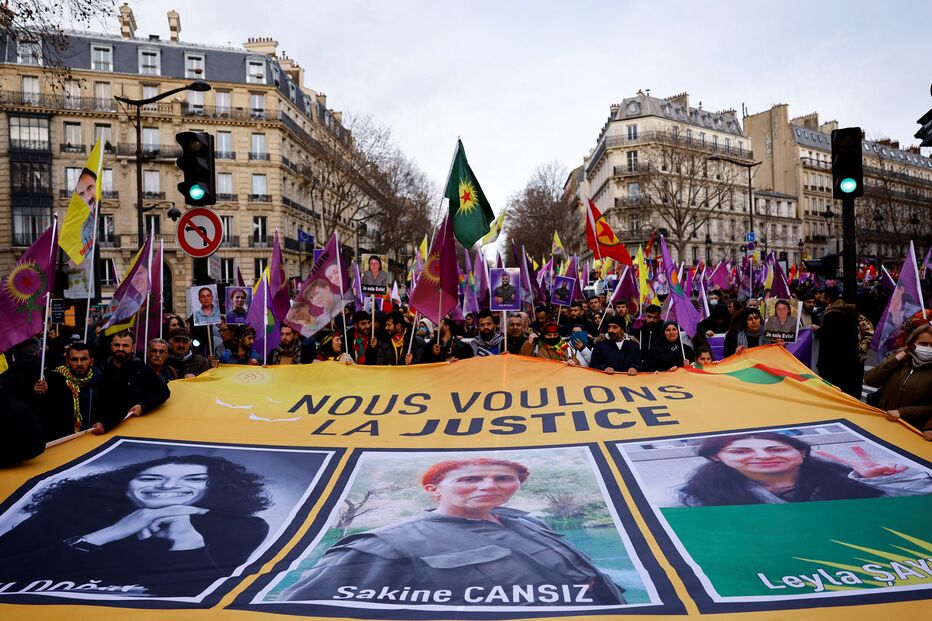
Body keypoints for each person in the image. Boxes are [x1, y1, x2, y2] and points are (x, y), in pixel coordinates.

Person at [280, 458, 626, 606]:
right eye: (470, 479)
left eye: (504, 478)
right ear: (434, 489)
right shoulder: (382, 545)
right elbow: (298, 609)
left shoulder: (530, 523)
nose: (489, 486)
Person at [0, 455, 269, 597]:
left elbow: (195, 594)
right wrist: (108, 534)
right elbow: (7, 565)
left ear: (216, 488)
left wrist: (184, 537)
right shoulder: (73, 510)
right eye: (150, 477)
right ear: (126, 484)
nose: (167, 486)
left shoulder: (242, 527)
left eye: (194, 478)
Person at [677, 432, 932, 506]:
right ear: (718, 458)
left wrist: (888, 479)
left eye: (776, 449)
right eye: (740, 451)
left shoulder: (847, 480)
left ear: (801, 453)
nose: (763, 456)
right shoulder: (699, 497)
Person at [865, 324, 932, 441]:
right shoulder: (900, 361)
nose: (928, 348)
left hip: (911, 431)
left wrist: (902, 412)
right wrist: (896, 359)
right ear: (912, 344)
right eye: (923, 344)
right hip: (881, 423)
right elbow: (870, 380)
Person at [94, 331, 170, 434]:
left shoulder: (141, 370)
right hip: (101, 428)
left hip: (133, 429)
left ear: (133, 348)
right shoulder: (101, 370)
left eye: (125, 345)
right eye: (117, 345)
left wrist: (143, 406)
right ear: (111, 346)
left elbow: (163, 392)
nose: (120, 349)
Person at [32, 341, 100, 441]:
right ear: (67, 362)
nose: (79, 364)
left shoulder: (100, 380)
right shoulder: (54, 380)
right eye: (74, 360)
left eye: (84, 359)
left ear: (91, 361)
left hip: (92, 437)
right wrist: (43, 392)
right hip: (64, 440)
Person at [816, 286, 862, 398]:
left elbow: (828, 336)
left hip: (833, 361)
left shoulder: (832, 314)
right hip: (849, 358)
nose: (821, 299)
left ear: (828, 299)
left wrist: (818, 330)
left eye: (822, 297)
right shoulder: (849, 310)